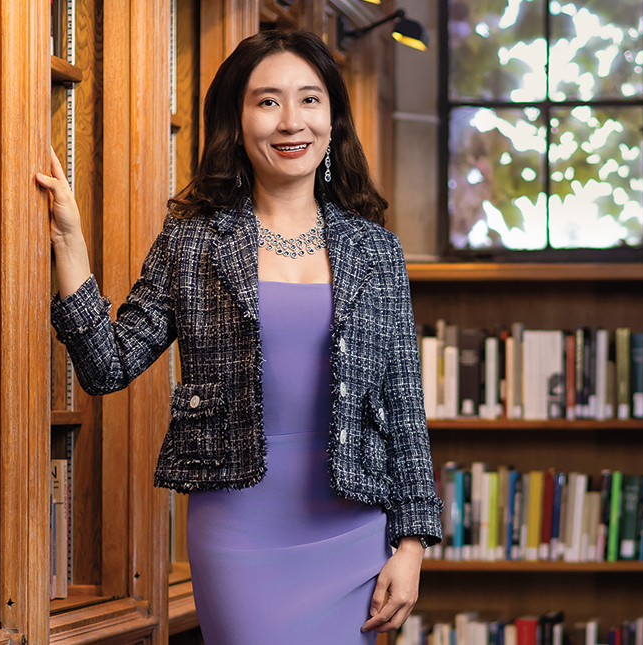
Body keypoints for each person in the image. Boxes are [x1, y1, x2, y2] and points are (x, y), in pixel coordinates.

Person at [35, 29, 442, 643]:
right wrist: (69, 243)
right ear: (237, 118)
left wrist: (412, 545)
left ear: (332, 119)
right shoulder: (194, 240)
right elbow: (107, 365)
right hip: (239, 531)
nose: (290, 121)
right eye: (267, 101)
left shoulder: (376, 250)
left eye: (309, 100)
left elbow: (406, 408)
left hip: (355, 530)